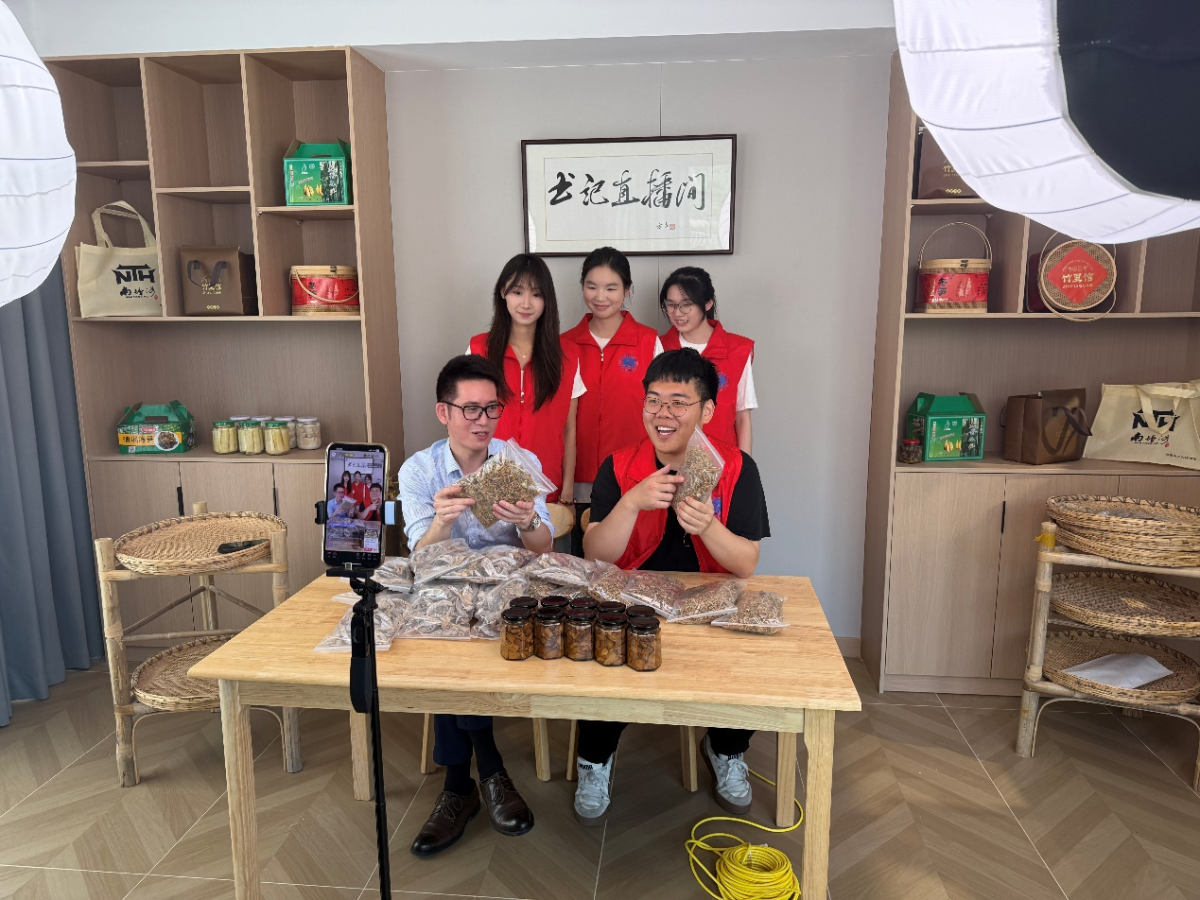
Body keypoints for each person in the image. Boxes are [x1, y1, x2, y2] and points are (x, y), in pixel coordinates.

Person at [577, 348, 770, 826]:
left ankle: (726, 748)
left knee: (746, 662)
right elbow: (596, 554)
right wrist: (631, 502)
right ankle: (594, 758)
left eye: (679, 402)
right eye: (653, 400)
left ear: (707, 410)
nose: (662, 413)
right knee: (603, 650)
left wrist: (709, 527)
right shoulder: (619, 465)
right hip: (631, 598)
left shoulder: (737, 467)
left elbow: (746, 563)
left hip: (711, 600)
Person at [398, 354, 552, 856]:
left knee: (458, 644)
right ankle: (488, 770)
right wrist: (441, 522)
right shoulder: (419, 470)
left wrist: (528, 521)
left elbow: (544, 548)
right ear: (443, 412)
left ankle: (457, 787)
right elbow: (422, 558)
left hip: (508, 589)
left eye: (491, 409)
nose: (482, 420)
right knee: (446, 639)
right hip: (445, 586)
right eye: (470, 409)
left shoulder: (516, 462)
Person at [562, 247, 662, 554]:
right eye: (592, 287)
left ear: (627, 290)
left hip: (634, 479)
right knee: (581, 565)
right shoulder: (564, 345)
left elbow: (663, 412)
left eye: (611, 288)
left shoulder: (649, 342)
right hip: (577, 482)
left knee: (634, 567)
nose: (600, 296)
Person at [468, 253, 585, 504]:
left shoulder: (568, 356)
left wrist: (567, 492)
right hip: (488, 492)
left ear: (547, 299)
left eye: (536, 294)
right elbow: (463, 423)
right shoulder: (478, 350)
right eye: (517, 292)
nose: (526, 303)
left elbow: (569, 431)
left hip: (546, 492)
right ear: (503, 292)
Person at [659, 267, 757, 453]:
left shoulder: (738, 350)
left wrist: (745, 468)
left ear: (708, 303)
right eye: (671, 305)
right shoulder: (658, 348)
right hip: (670, 458)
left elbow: (742, 418)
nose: (678, 313)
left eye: (686, 304)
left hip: (723, 459)